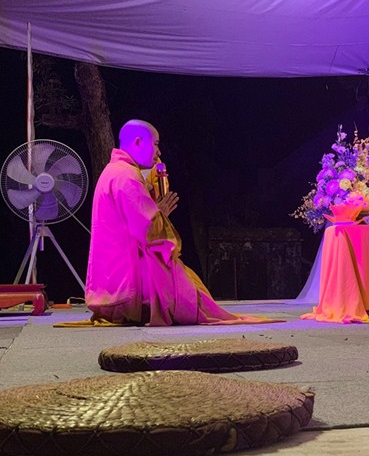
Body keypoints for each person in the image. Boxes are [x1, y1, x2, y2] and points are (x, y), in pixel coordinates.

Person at [83, 119, 279, 326]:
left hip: (111, 283)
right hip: (127, 286)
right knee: (189, 293)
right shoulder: (127, 175)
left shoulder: (113, 171)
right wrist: (160, 213)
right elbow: (148, 230)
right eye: (156, 144)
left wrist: (155, 210)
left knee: (191, 286)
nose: (159, 152)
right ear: (138, 142)